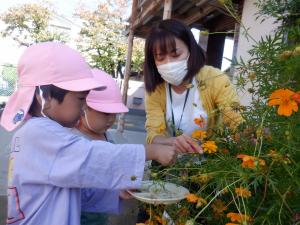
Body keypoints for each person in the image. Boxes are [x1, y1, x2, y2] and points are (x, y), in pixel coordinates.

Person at [0, 42, 177, 225]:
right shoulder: (39, 133)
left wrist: (114, 193)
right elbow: (90, 157)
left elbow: (73, 189)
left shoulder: (34, 132)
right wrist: (151, 151)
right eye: (81, 98)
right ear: (45, 96)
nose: (84, 106)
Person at [144, 19, 242, 153]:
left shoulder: (214, 79)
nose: (169, 63)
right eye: (160, 58)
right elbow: (153, 134)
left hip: (209, 163)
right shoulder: (156, 90)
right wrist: (173, 142)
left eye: (176, 54)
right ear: (152, 61)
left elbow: (234, 120)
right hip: (169, 164)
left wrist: (252, 136)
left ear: (191, 49)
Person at [75, 69, 130, 225]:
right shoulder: (74, 140)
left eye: (115, 114)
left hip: (100, 216)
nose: (111, 119)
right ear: (83, 107)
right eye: (106, 113)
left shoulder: (106, 135)